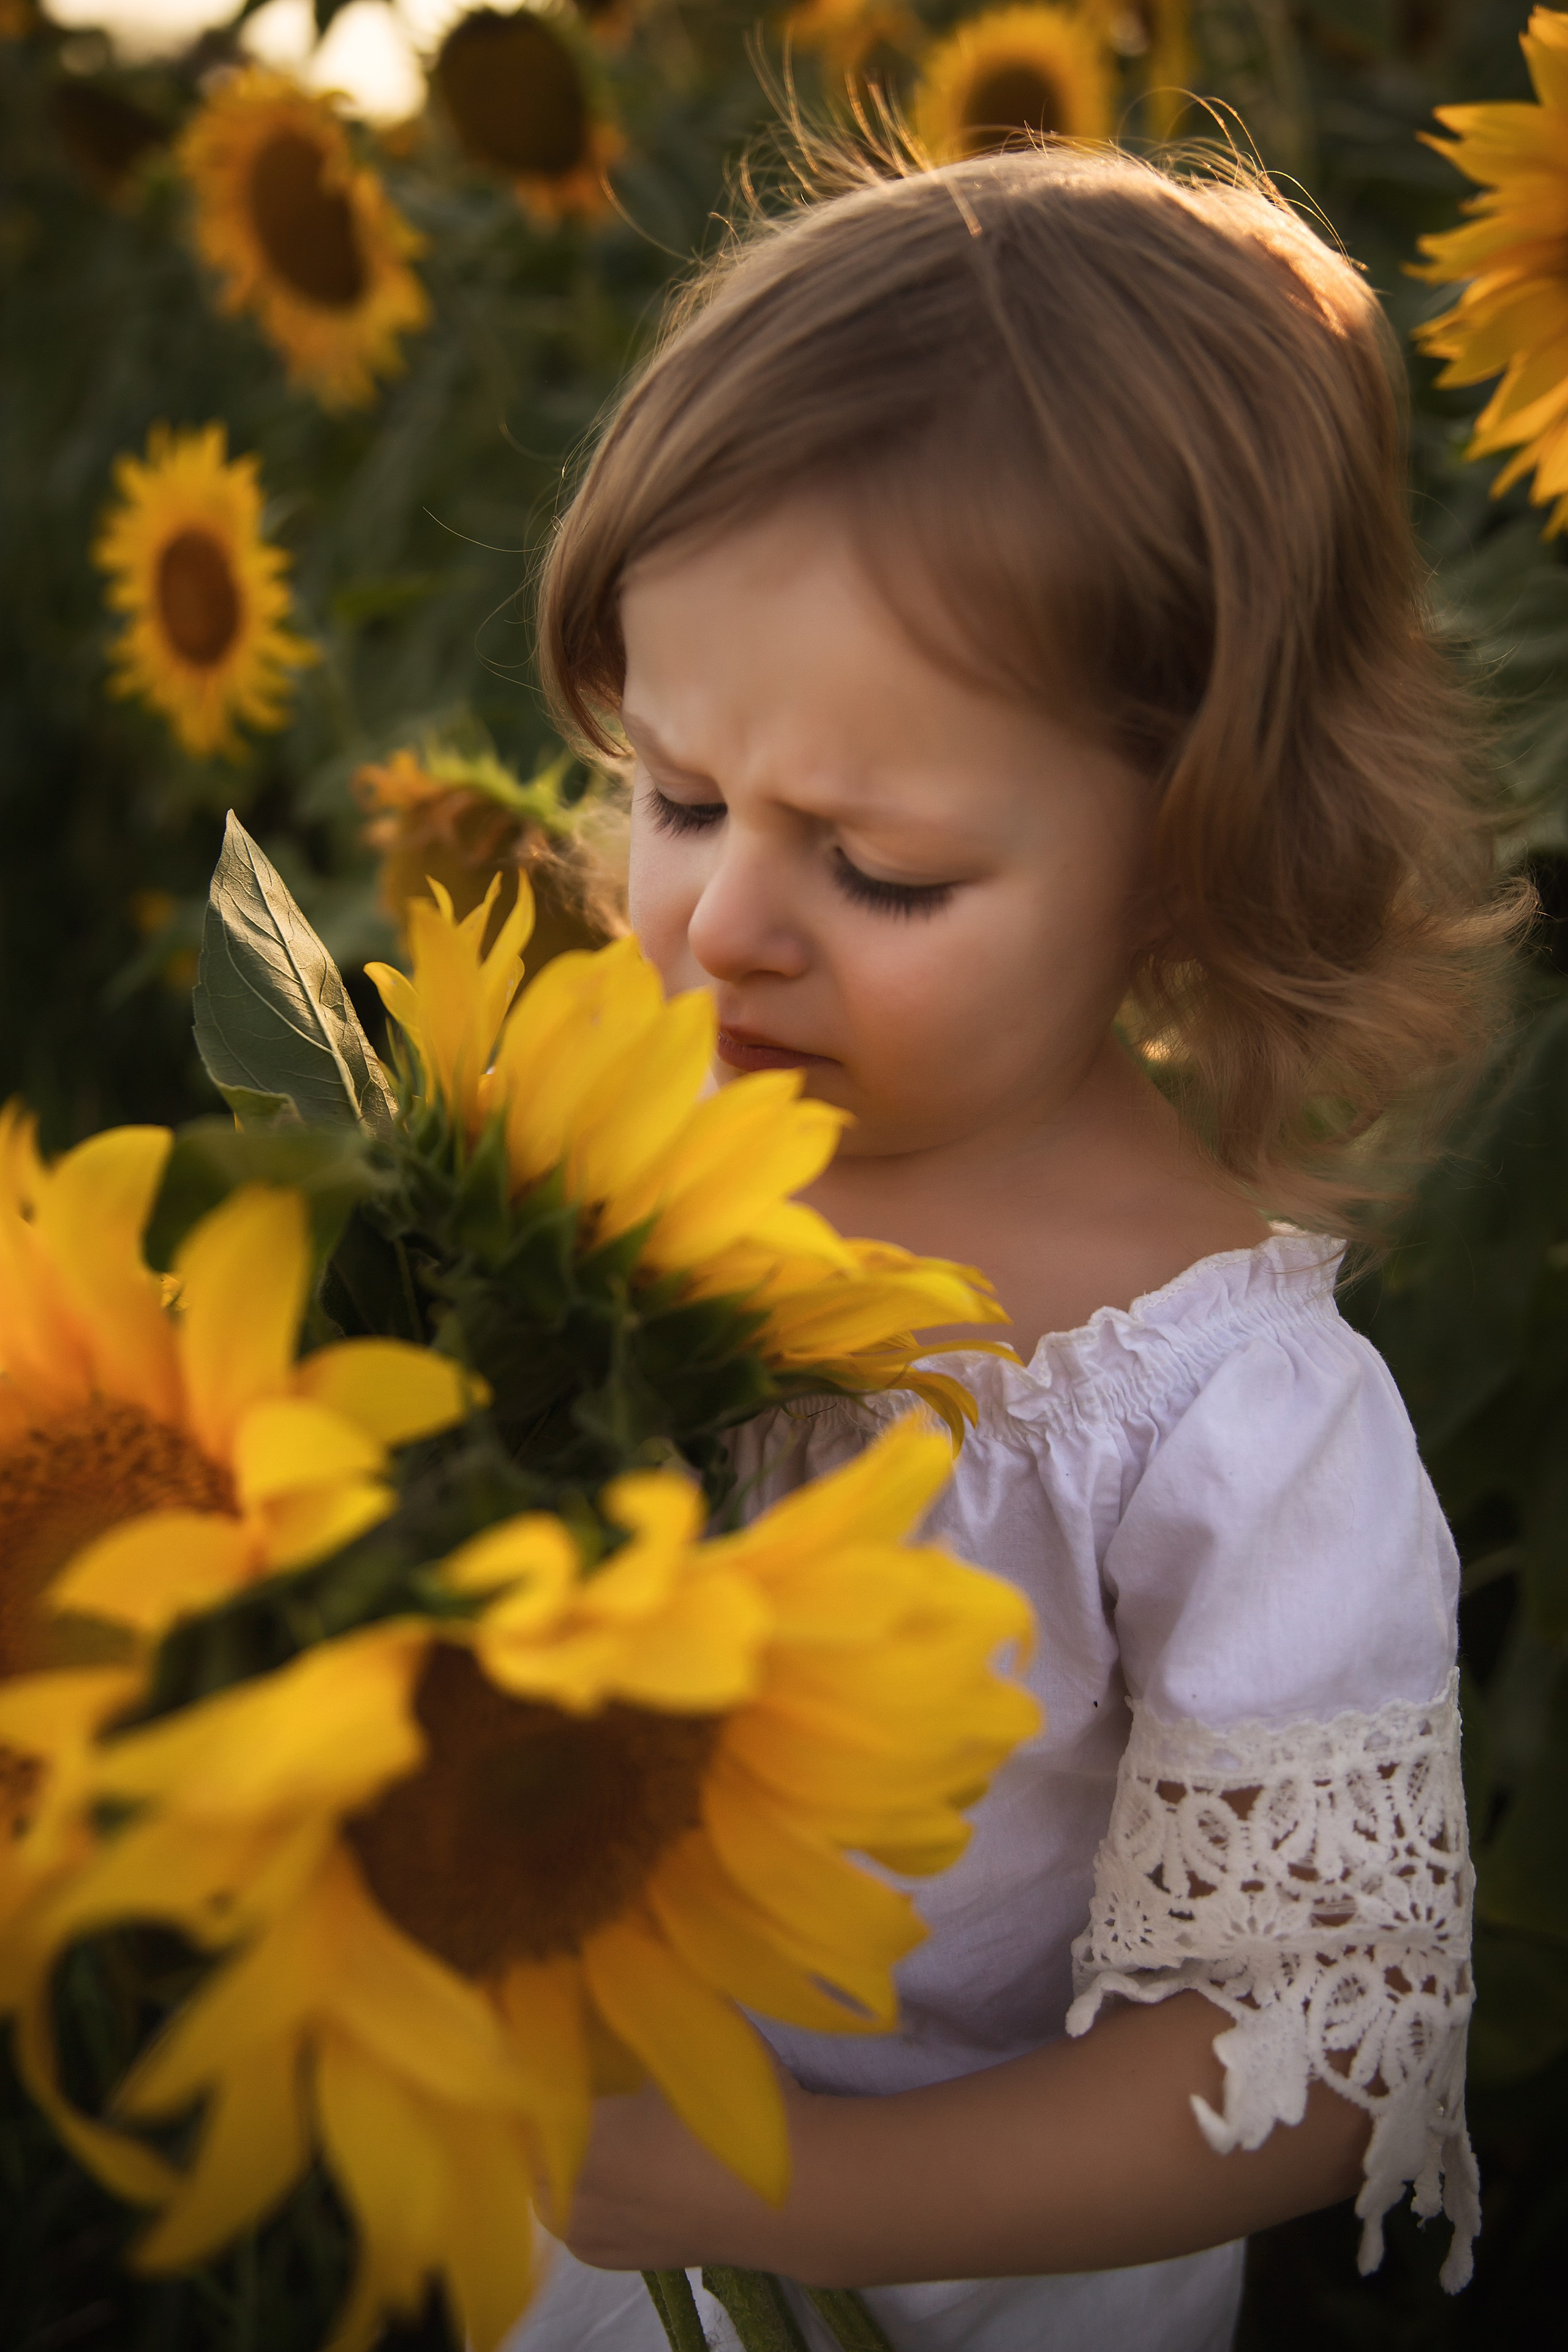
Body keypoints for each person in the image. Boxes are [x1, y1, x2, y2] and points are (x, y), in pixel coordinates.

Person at [502, 139, 1513, 2352]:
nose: (720, 925)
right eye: (675, 798)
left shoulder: (1224, 1422)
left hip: (947, 2290)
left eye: (881, 868)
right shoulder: (592, 1178)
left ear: (1190, 855)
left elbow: (1310, 2052)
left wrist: (796, 2190)